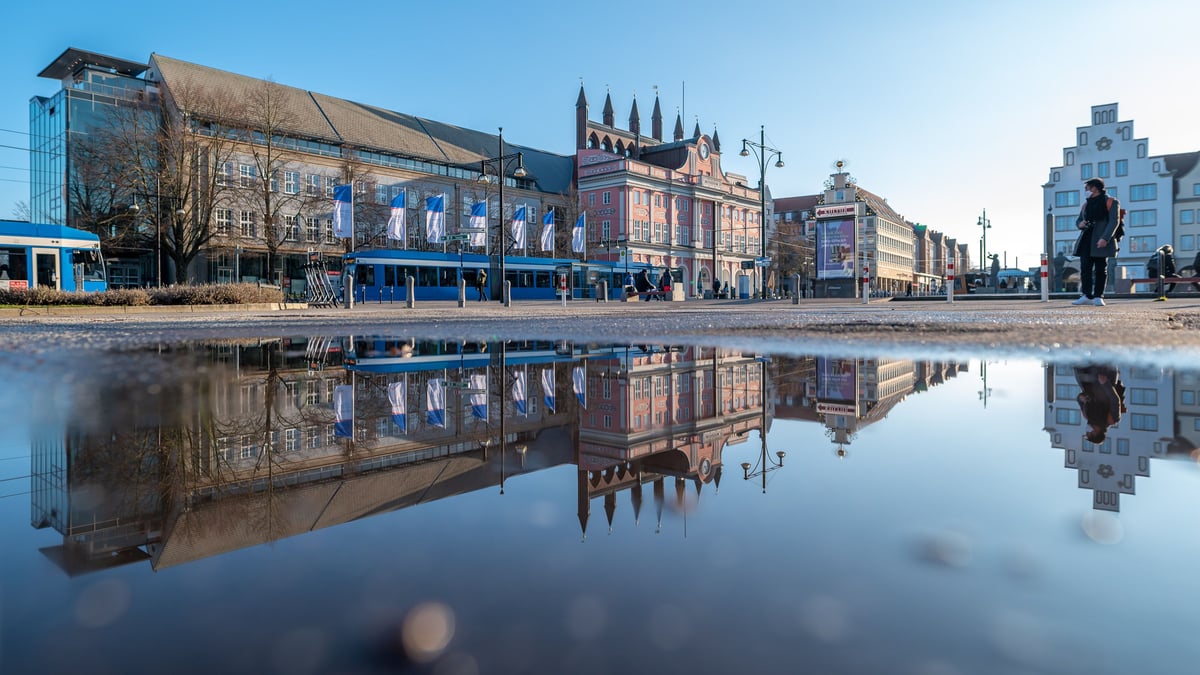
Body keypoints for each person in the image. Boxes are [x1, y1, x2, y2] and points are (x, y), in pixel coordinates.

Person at [1072, 178, 1121, 306]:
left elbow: (1114, 222)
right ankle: (1086, 295)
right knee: (1085, 268)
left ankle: (1098, 296)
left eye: (1087, 188)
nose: (1086, 191)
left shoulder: (1111, 202)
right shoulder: (1086, 204)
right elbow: (1078, 220)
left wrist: (1105, 238)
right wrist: (1080, 224)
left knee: (1100, 268)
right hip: (1086, 239)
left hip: (1101, 239)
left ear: (1095, 188)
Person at [1074, 365, 1126, 445]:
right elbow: (1115, 400)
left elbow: (1079, 399)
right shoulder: (1111, 419)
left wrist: (1081, 397)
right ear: (1096, 433)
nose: (1087, 430)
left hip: (1087, 380)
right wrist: (1105, 384)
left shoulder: (1087, 415)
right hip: (1105, 377)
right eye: (1089, 433)